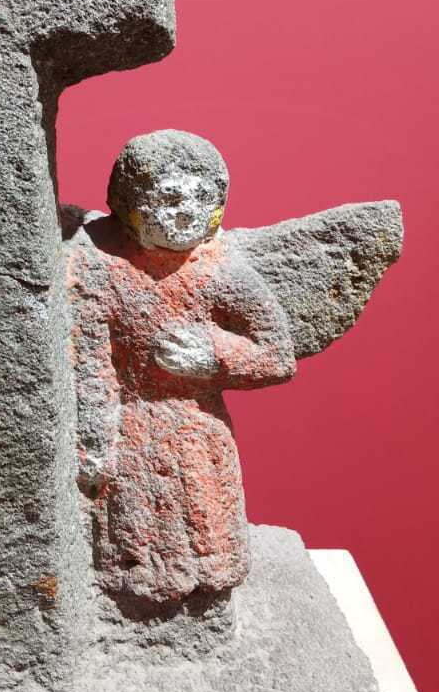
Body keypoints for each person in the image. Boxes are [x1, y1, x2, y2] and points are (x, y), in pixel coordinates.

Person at [67, 129, 296, 606]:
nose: (186, 212)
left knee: (206, 533)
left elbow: (277, 353)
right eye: (169, 198)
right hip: (129, 427)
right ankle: (133, 613)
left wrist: (213, 355)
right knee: (134, 545)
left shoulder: (219, 268)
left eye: (201, 199)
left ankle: (202, 611)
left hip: (197, 428)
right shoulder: (98, 262)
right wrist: (94, 440)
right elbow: (89, 357)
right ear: (129, 204)